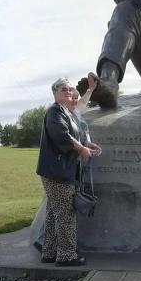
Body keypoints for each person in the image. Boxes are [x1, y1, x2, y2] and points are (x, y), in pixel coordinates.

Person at [36, 78, 96, 266]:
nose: (68, 92)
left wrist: (86, 144)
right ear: (54, 92)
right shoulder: (55, 112)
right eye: (64, 89)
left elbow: (73, 134)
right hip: (58, 172)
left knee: (54, 213)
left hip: (58, 170)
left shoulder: (65, 112)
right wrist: (81, 149)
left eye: (70, 89)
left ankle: (49, 252)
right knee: (66, 214)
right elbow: (61, 135)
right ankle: (66, 256)